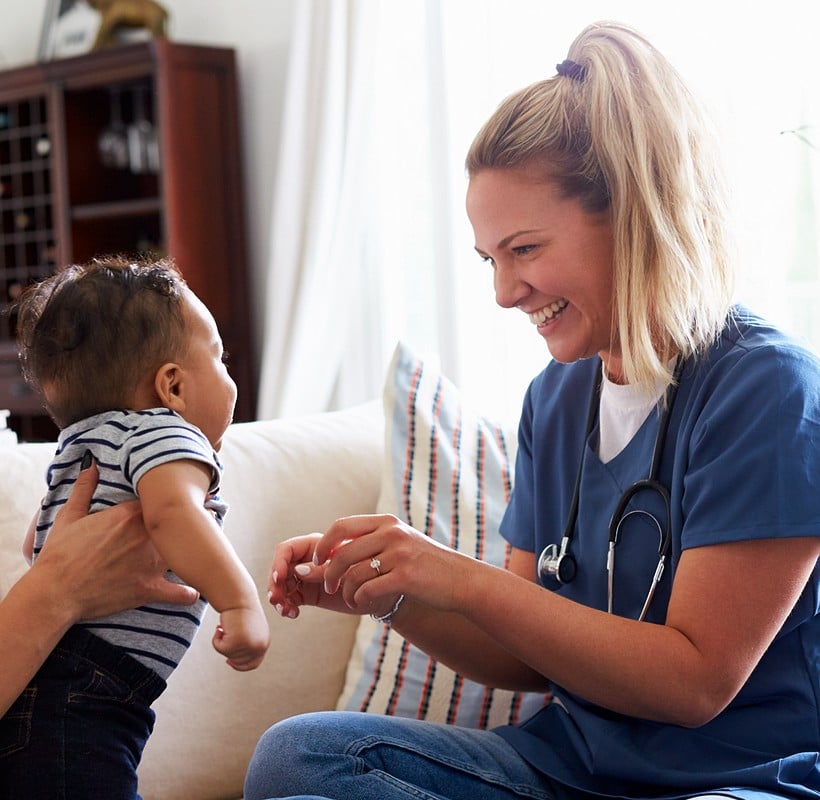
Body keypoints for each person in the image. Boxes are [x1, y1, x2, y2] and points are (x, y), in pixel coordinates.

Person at [248, 20, 820, 800]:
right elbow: (521, 659)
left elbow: (696, 683)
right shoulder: (555, 400)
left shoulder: (767, 391)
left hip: (731, 778)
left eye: (524, 250)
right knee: (302, 757)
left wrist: (463, 578)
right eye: (490, 259)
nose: (504, 292)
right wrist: (392, 591)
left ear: (632, 216)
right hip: (567, 766)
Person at [2, 256, 270, 798]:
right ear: (171, 386)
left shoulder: (81, 444)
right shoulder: (167, 433)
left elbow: (38, 542)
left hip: (44, 680)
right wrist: (241, 603)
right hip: (93, 690)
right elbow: (172, 512)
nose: (228, 375)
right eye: (219, 359)